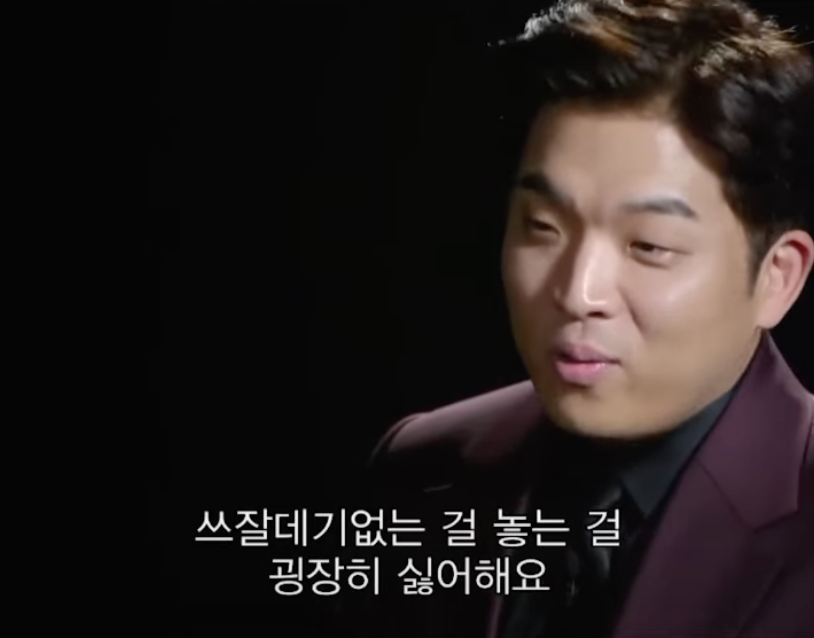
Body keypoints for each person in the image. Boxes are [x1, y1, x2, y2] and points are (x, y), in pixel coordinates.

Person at [342, 1, 814, 636]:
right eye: (543, 227)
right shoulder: (424, 467)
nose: (576, 291)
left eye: (648, 245)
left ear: (778, 277)